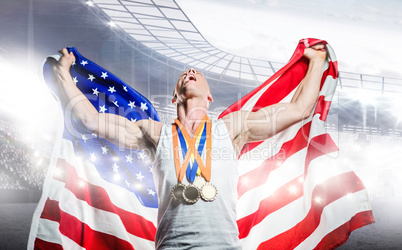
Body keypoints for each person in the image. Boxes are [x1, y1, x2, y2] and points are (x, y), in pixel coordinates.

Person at [51, 43, 326, 249]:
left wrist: (316, 60)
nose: (190, 71)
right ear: (174, 97)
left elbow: (299, 109)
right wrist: (62, 73)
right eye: (184, 73)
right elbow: (90, 119)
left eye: (197, 72)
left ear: (209, 96)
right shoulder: (154, 132)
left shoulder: (232, 128)